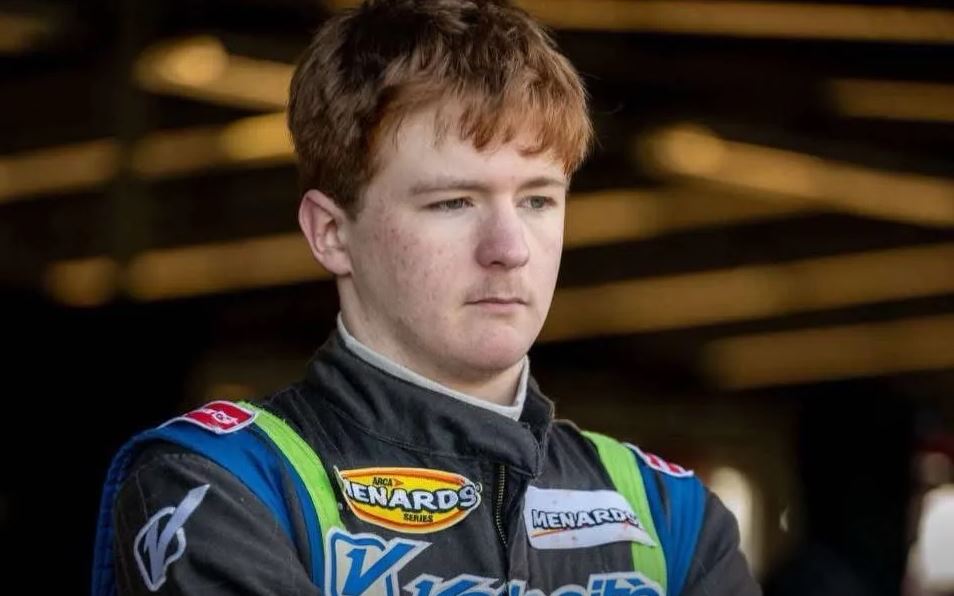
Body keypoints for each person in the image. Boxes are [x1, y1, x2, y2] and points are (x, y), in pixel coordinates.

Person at [92, 1, 761, 594]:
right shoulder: (221, 484)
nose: (510, 247)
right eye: (453, 202)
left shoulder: (668, 514)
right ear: (331, 233)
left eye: (537, 200)